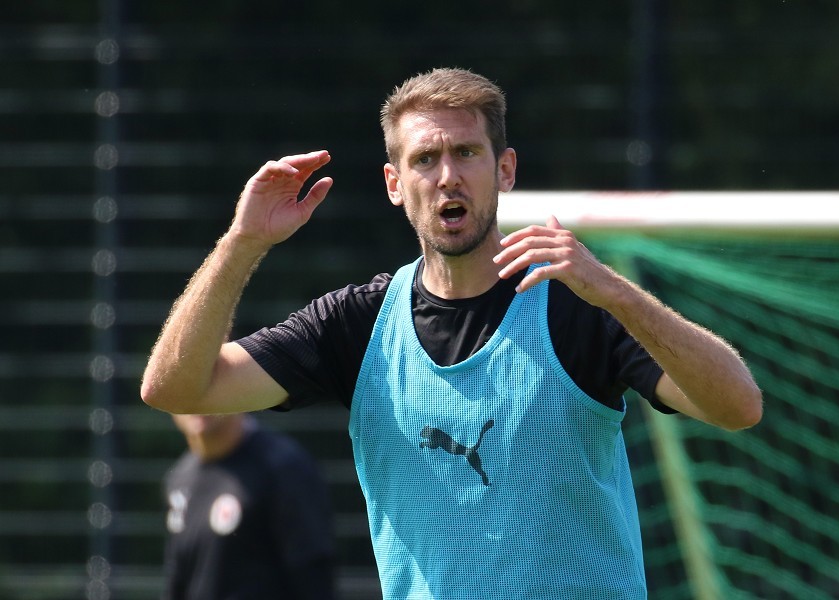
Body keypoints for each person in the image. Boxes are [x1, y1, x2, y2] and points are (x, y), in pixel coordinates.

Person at [142, 67, 762, 599]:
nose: (447, 177)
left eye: (466, 153)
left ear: (505, 170)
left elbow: (738, 406)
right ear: (395, 185)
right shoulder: (355, 324)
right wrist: (242, 243)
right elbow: (175, 389)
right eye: (425, 159)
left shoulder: (577, 305)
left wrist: (619, 294)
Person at [162, 412, 336, 600]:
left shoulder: (283, 466)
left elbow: (312, 572)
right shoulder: (179, 479)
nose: (197, 401)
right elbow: (177, 577)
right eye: (186, 391)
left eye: (206, 387)